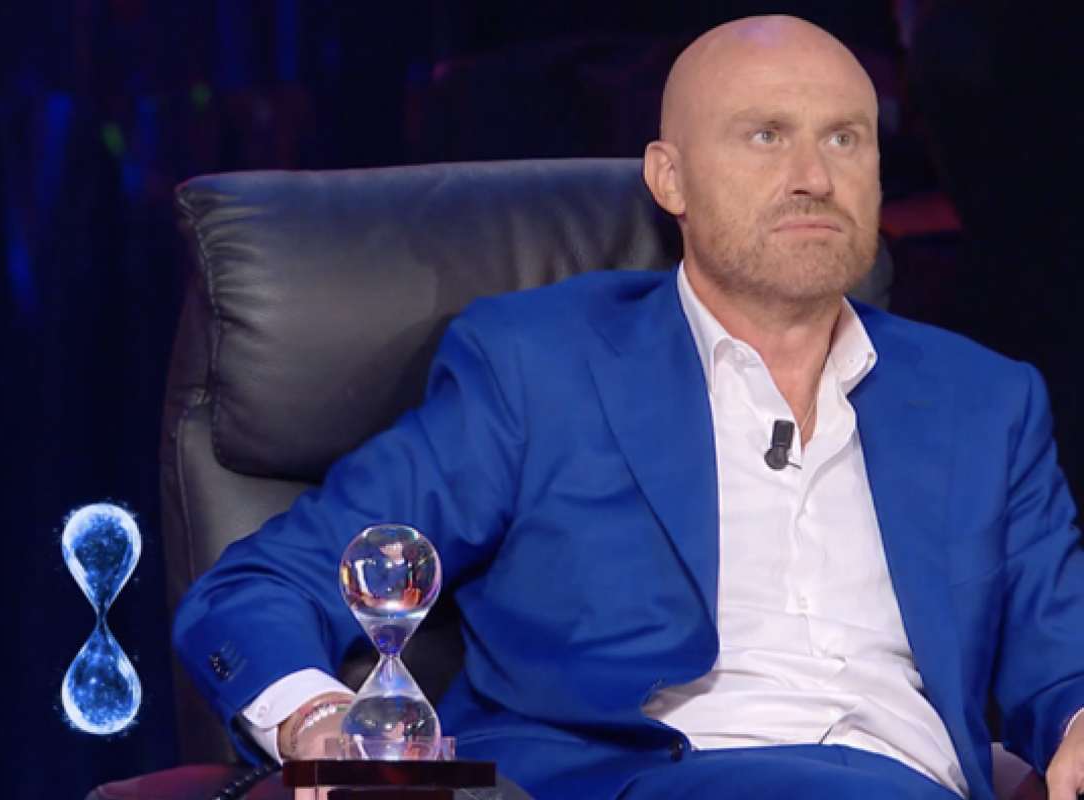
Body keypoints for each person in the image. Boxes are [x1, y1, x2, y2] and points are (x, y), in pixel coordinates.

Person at [174, 15, 1084, 800]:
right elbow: (265, 585)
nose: (813, 174)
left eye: (846, 138)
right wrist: (320, 719)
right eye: (765, 136)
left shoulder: (986, 401)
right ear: (669, 178)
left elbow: (1064, 661)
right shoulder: (541, 366)